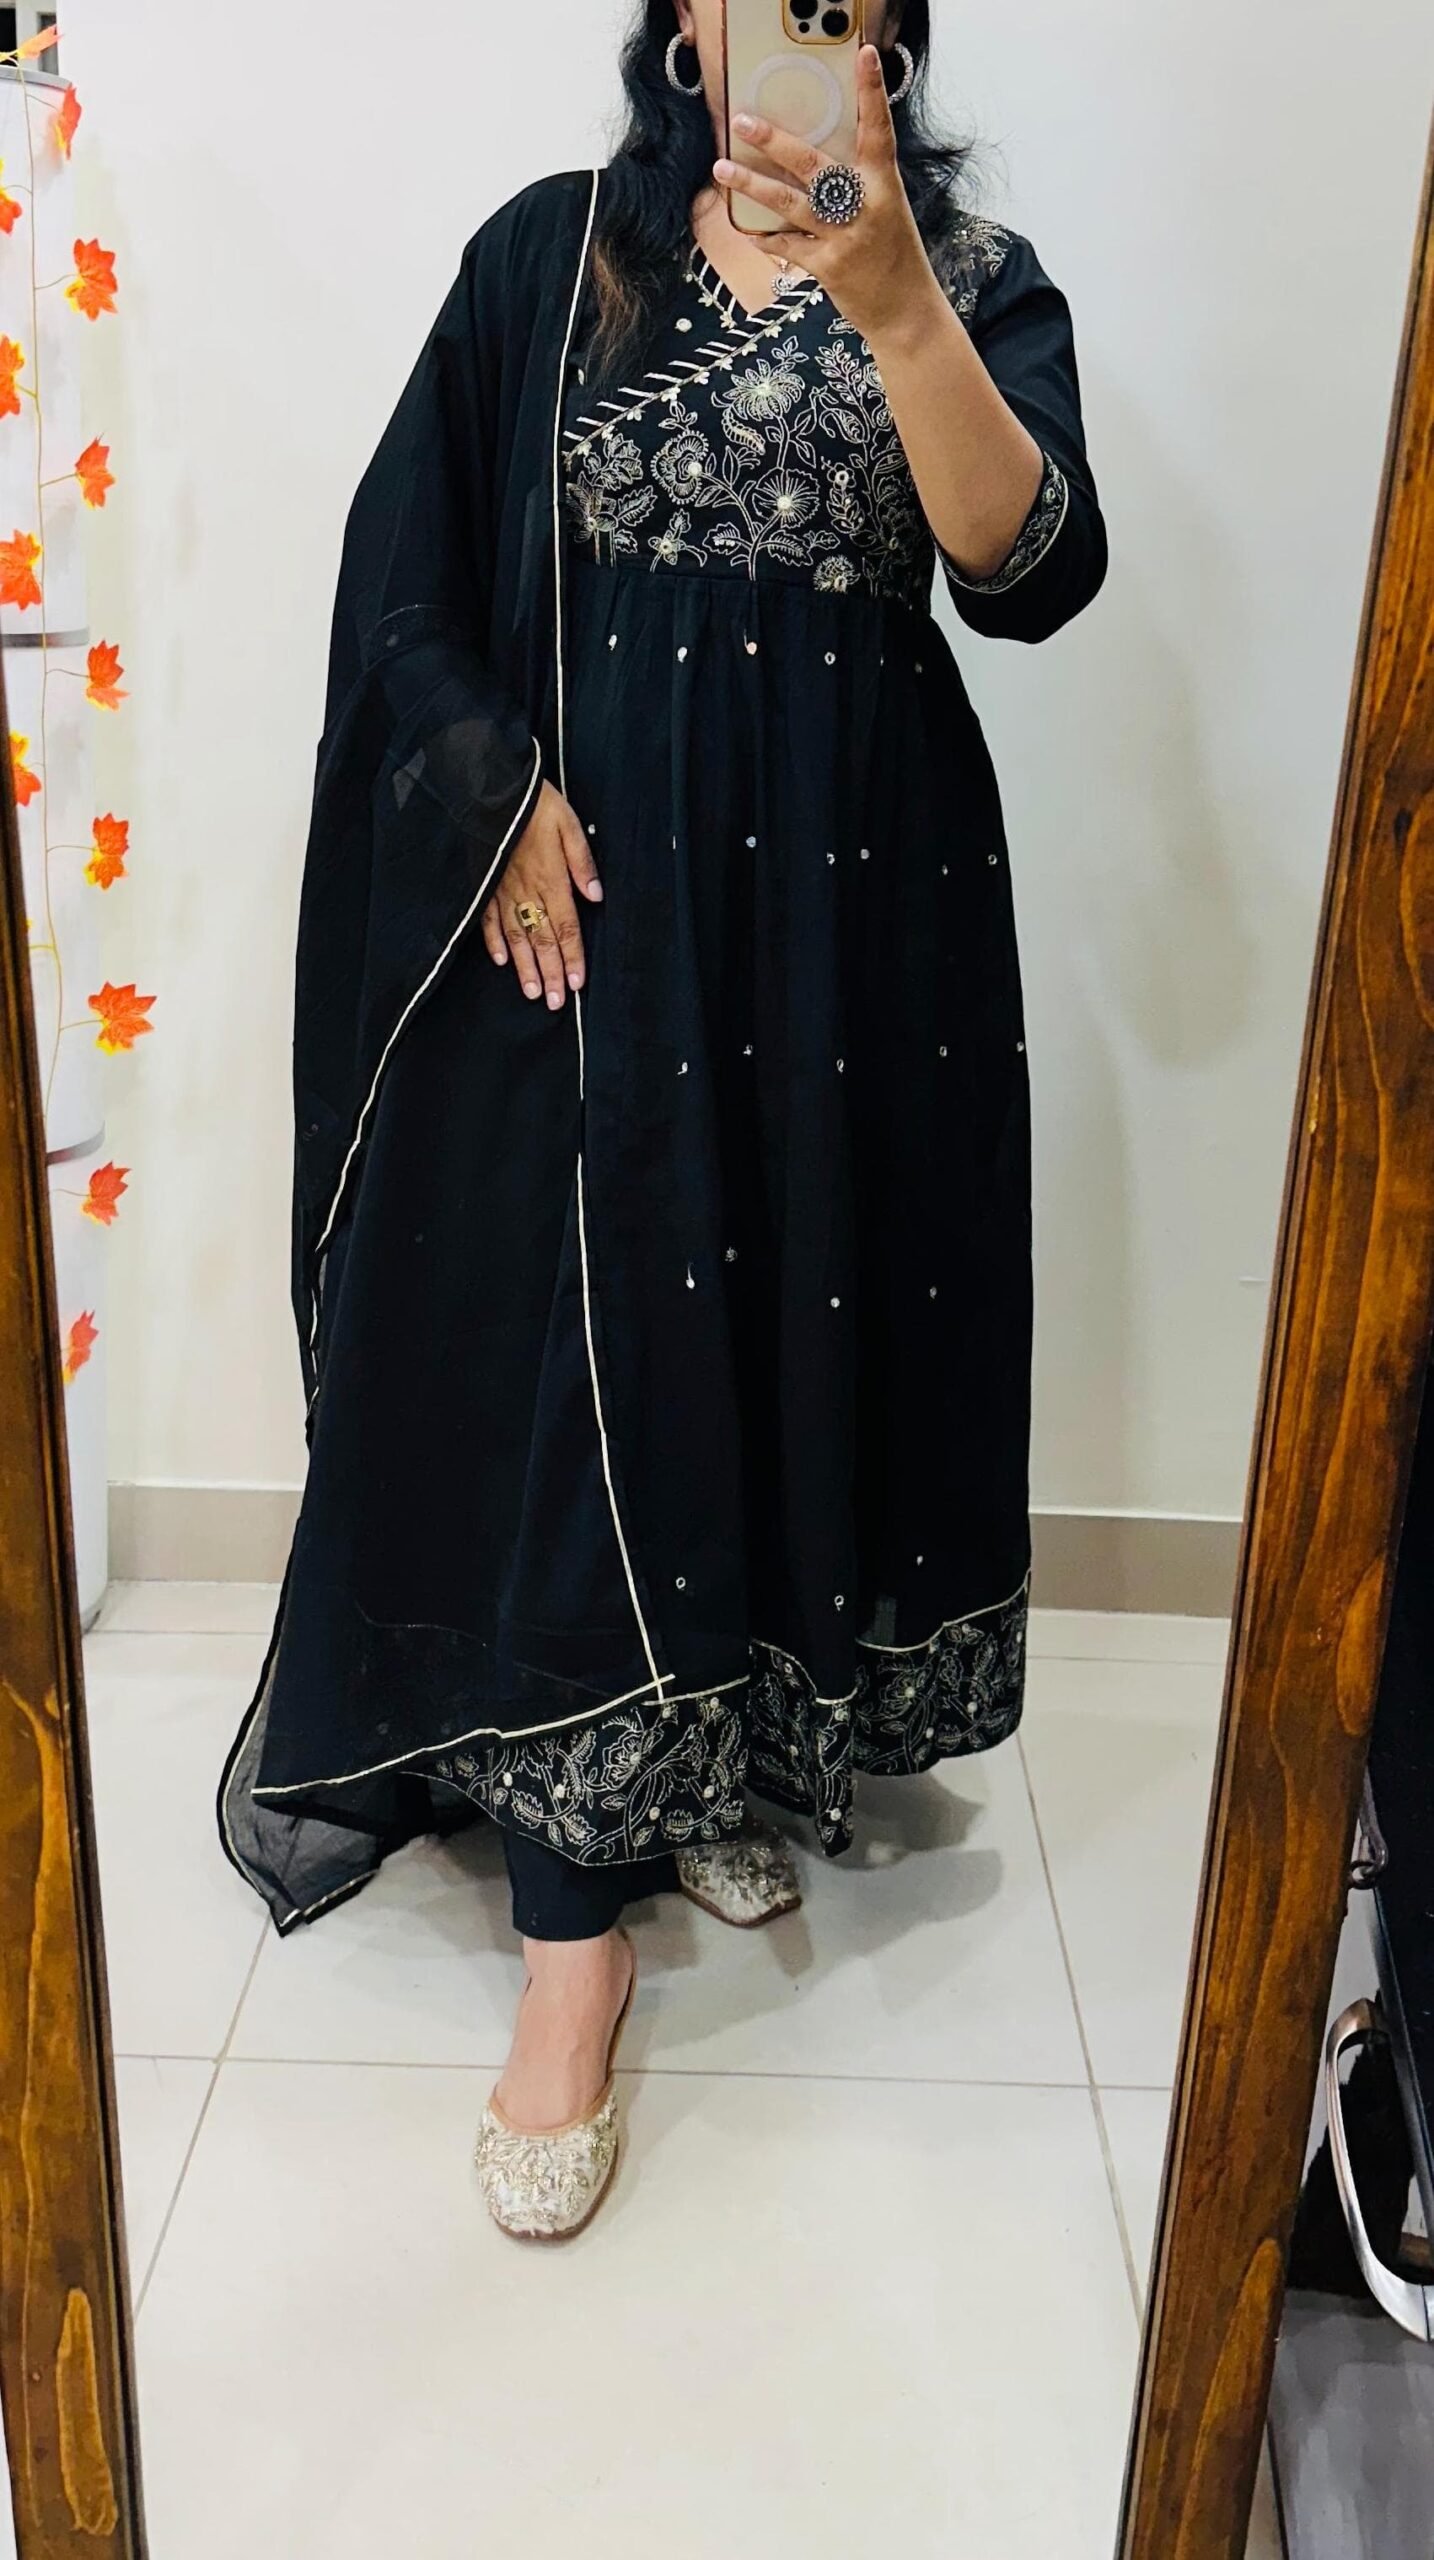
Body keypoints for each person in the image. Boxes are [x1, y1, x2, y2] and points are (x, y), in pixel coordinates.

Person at [217, 0, 1107, 2242]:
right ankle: (569, 1948)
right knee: (576, 1374)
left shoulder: (970, 278)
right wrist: (487, 790)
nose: (782, 19)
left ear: (887, 30)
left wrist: (894, 296)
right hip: (595, 926)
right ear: (678, 19)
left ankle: (719, 1748)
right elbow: (407, 573)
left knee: (784, 1337)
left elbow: (1029, 571)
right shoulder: (557, 260)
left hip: (853, 937)